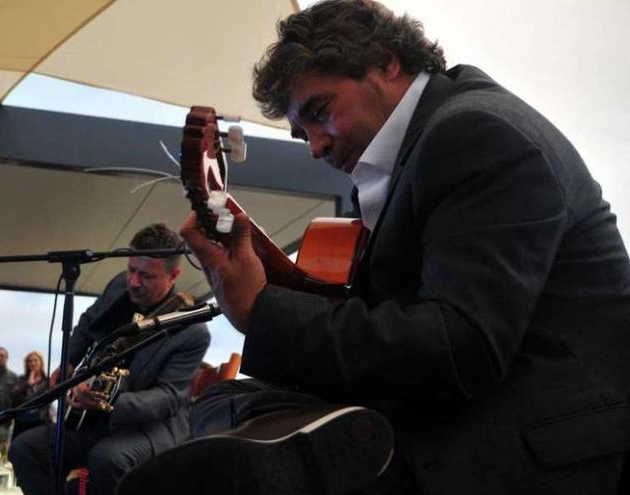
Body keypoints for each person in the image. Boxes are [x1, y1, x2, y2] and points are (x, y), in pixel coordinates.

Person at [122, 2, 630, 495]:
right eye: (303, 135)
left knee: (177, 474)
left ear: (387, 61)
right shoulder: (432, 141)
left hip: (535, 440)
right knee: (224, 403)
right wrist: (265, 292)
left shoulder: (476, 132)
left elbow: (460, 347)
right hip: (479, 410)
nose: (317, 145)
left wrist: (261, 309)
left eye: (321, 113)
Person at [8, 223, 211, 495]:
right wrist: (69, 362)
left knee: (107, 459)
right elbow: (88, 322)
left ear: (173, 275)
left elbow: (167, 398)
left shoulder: (192, 331)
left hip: (149, 428)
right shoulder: (119, 286)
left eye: (147, 276)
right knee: (24, 449)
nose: (134, 282)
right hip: (91, 421)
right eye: (131, 270)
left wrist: (107, 401)